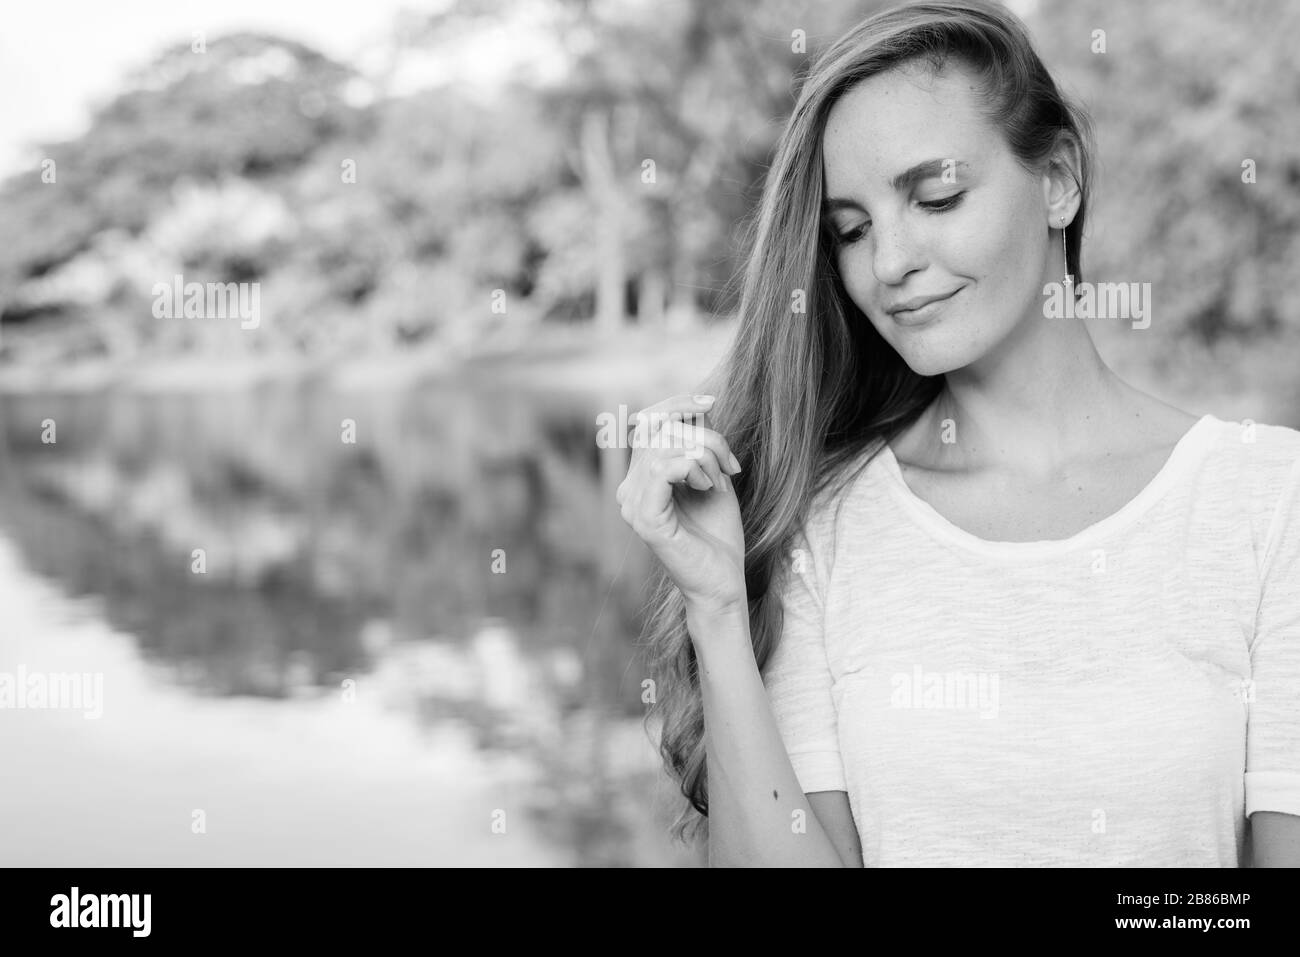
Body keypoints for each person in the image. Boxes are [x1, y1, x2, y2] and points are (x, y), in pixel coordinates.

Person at [615, 0, 1300, 866]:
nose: (889, 261)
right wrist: (716, 609)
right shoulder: (821, 523)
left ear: (1057, 181)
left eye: (935, 196)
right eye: (852, 232)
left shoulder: (1268, 499)